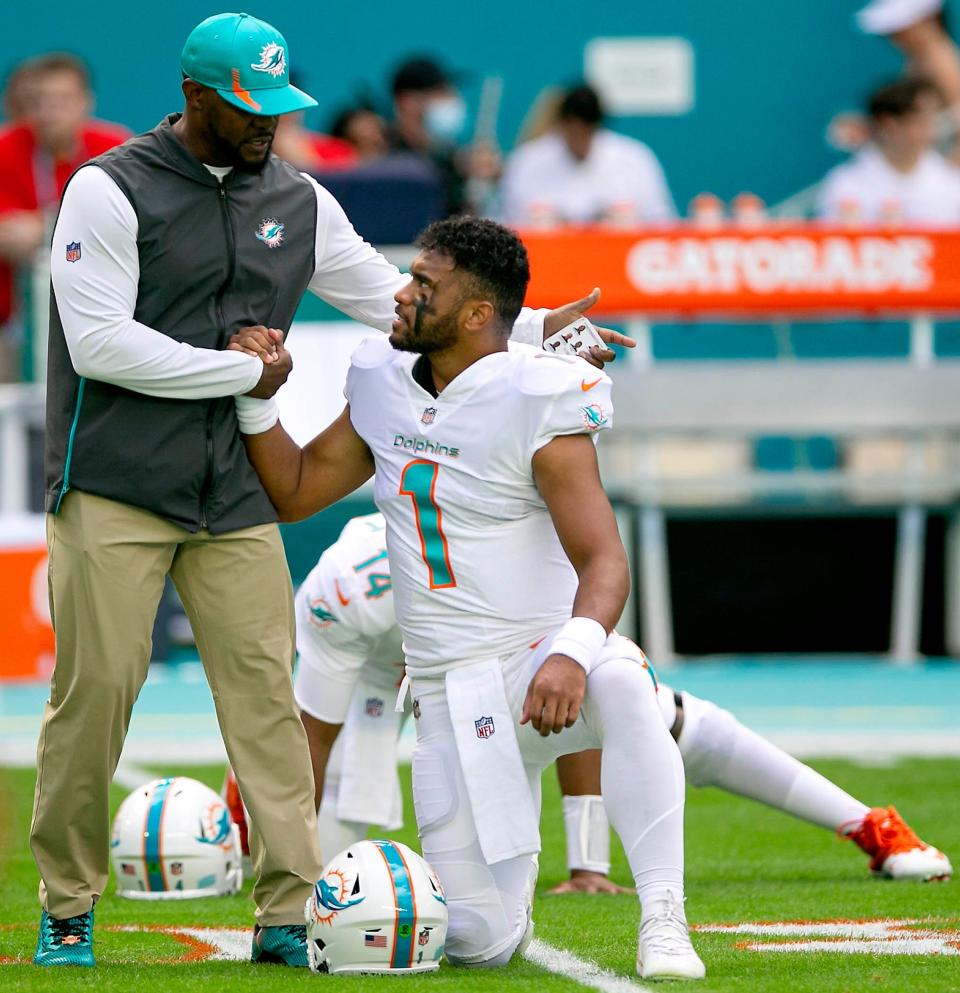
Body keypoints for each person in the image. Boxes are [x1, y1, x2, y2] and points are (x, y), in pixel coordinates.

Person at [35, 11, 632, 970]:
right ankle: (67, 902)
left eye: (280, 103)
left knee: (268, 698)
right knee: (97, 694)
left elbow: (396, 296)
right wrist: (240, 374)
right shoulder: (108, 191)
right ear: (195, 99)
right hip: (117, 481)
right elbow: (99, 342)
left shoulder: (300, 197)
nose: (271, 121)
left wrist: (531, 334)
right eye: (249, 106)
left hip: (230, 491)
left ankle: (282, 902)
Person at [232, 216, 706, 980]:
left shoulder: (540, 393)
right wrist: (260, 398)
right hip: (451, 699)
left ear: (478, 313)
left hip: (536, 667)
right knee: (479, 942)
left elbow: (605, 559)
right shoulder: (382, 377)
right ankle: (503, 895)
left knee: (625, 679)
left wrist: (571, 650)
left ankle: (664, 918)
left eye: (425, 284)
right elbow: (294, 490)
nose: (402, 292)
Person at [266, 511, 952, 888]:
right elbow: (313, 734)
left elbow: (575, 700)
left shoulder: (521, 555)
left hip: (497, 677)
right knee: (340, 857)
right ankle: (251, 836)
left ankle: (869, 823)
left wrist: (588, 862)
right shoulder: (341, 595)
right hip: (404, 694)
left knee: (661, 713)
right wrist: (286, 864)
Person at [0, 53, 129, 380]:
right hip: (14, 324)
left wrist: (42, 227)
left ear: (86, 102)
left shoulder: (119, 148)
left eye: (63, 100)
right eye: (40, 101)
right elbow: (10, 238)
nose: (50, 111)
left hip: (102, 318)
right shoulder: (7, 148)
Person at [500, 83, 675, 227]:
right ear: (561, 125)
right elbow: (508, 222)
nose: (579, 140)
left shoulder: (635, 158)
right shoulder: (528, 161)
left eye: (586, 132)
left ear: (597, 126)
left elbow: (662, 222)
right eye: (572, 131)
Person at [817, 76, 960, 223]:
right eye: (920, 120)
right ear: (890, 124)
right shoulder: (844, 183)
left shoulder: (952, 181)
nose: (930, 129)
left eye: (932, 118)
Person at [387, 55, 500, 216]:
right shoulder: (382, 149)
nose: (452, 99)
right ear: (407, 101)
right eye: (441, 93)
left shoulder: (448, 154)